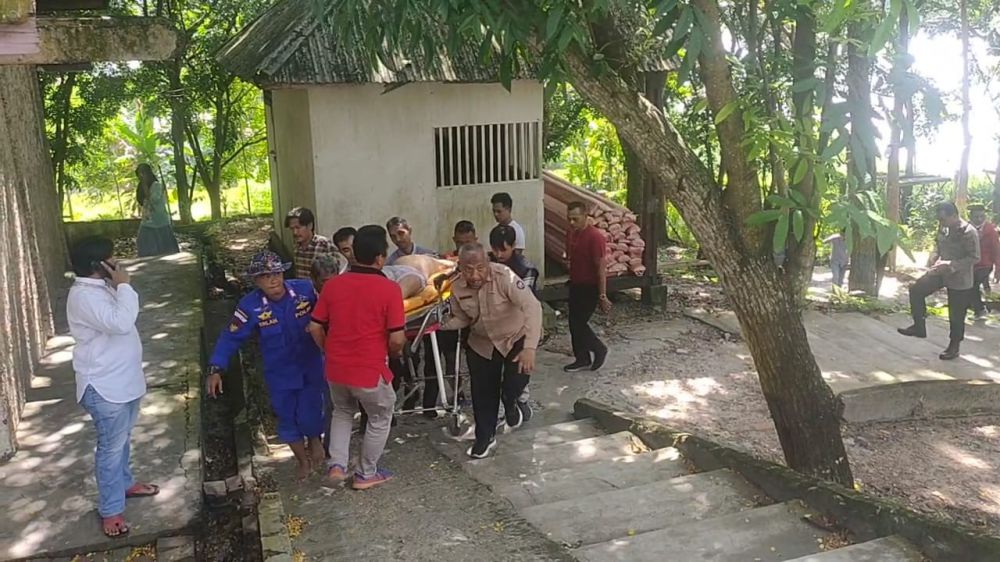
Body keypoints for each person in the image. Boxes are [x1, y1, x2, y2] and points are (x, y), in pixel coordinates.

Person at [67, 236, 159, 538]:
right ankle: (111, 510)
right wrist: (124, 286)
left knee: (122, 440)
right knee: (110, 448)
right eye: (111, 258)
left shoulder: (101, 287)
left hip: (123, 381)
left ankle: (125, 484)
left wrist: (119, 286)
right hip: (105, 386)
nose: (117, 262)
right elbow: (120, 323)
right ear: (99, 265)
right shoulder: (84, 296)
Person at [206, 251, 326, 481]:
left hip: (310, 367)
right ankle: (302, 461)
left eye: (277, 273)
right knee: (287, 418)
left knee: (311, 413)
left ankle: (314, 440)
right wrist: (216, 368)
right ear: (256, 280)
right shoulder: (250, 306)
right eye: (265, 276)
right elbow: (230, 337)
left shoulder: (305, 290)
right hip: (280, 374)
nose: (273, 280)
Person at [309, 225, 404, 489]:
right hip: (369, 369)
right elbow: (397, 339)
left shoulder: (332, 286)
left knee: (342, 411)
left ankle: (337, 465)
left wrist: (328, 350)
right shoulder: (389, 289)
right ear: (380, 258)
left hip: (335, 368)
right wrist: (394, 353)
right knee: (380, 415)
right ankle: (366, 473)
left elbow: (315, 326)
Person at [442, 243, 542, 458]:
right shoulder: (456, 286)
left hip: (515, 338)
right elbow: (462, 318)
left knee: (513, 385)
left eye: (480, 268)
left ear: (487, 263)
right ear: (460, 267)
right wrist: (439, 325)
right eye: (468, 269)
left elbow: (532, 307)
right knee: (483, 393)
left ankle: (512, 405)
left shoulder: (504, 276)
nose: (475, 275)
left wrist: (530, 348)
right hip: (482, 343)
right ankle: (485, 437)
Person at [898, 202, 980, 360]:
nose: (941, 222)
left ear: (954, 216)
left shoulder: (969, 232)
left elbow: (974, 257)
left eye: (943, 219)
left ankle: (954, 346)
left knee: (956, 314)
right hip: (940, 272)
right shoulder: (943, 228)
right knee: (916, 289)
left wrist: (951, 265)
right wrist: (934, 255)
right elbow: (938, 243)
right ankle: (919, 326)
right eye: (939, 219)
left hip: (960, 277)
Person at [565, 201, 611, 372]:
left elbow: (601, 268)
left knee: (579, 323)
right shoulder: (572, 233)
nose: (572, 222)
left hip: (589, 286)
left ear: (585, 216)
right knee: (573, 322)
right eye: (569, 219)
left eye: (575, 219)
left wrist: (602, 295)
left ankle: (599, 348)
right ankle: (582, 358)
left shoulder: (595, 237)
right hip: (575, 284)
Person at [135, 164, 179, 257]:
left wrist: (145, 187)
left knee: (165, 245)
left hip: (159, 219)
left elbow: (154, 200)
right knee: (143, 242)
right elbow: (141, 200)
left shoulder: (156, 185)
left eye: (143, 174)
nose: (141, 177)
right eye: (139, 175)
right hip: (148, 219)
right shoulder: (141, 186)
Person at [968, 204, 1000, 318]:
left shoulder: (990, 230)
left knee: (973, 285)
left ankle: (980, 309)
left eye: (982, 216)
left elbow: (996, 250)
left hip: (985, 264)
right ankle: (976, 306)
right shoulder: (965, 228)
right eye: (976, 217)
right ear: (971, 216)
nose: (979, 219)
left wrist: (998, 269)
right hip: (970, 264)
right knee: (969, 286)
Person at [286, 207, 335, 280]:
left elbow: (336, 272)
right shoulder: (296, 247)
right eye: (292, 229)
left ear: (310, 226)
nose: (295, 232)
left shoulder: (323, 244)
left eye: (298, 228)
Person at [490, 224, 540, 295]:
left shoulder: (527, 270)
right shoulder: (487, 262)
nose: (499, 255)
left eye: (503, 250)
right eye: (495, 250)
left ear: (513, 245)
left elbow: (524, 297)